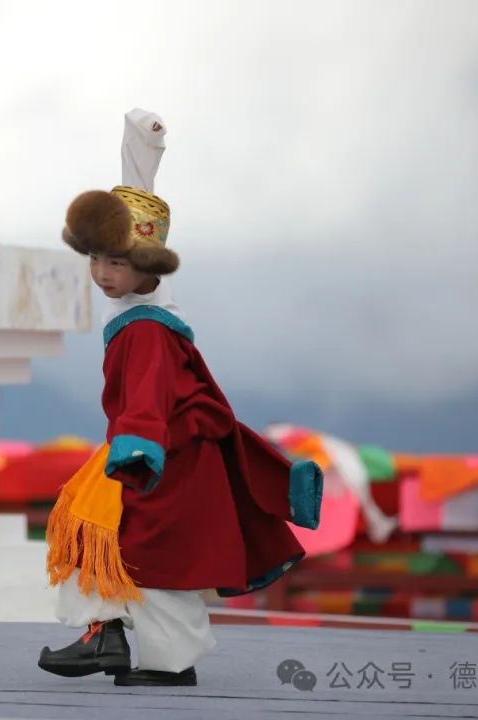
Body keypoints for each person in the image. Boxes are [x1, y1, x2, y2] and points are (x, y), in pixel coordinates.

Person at [37, 109, 323, 687]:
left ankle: (158, 657)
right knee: (101, 529)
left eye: (116, 262)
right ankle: (107, 635)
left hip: (163, 457)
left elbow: (147, 396)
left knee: (151, 559)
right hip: (160, 451)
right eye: (95, 259)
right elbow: (134, 205)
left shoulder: (145, 329)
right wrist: (140, 147)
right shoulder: (143, 307)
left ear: (143, 266)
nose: (102, 273)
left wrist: (137, 449)